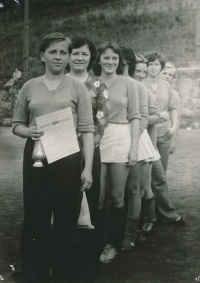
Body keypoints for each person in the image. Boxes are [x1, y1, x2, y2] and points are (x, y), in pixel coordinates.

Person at [12, 32, 94, 283]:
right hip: (36, 157)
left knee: (66, 217)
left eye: (63, 53)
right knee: (35, 216)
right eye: (52, 52)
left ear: (69, 57)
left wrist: (87, 167)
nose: (58, 57)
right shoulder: (29, 86)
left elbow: (87, 130)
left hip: (68, 157)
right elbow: (17, 124)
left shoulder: (78, 87)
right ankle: (34, 274)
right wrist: (29, 131)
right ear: (42, 56)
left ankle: (64, 274)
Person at [94, 42, 141, 263]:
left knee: (117, 196)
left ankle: (111, 243)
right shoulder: (92, 83)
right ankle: (96, 240)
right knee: (99, 195)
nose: (110, 62)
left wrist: (133, 148)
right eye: (106, 57)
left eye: (114, 58)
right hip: (97, 136)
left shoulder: (128, 83)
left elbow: (134, 116)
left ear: (120, 61)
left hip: (121, 137)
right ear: (99, 60)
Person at [67, 37, 109, 282]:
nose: (79, 58)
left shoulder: (98, 84)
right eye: (75, 53)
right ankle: (64, 257)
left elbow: (102, 120)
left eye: (84, 54)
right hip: (60, 152)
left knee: (91, 201)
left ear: (90, 57)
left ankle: (88, 259)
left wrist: (86, 147)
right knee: (63, 203)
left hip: (89, 150)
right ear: (68, 56)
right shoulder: (60, 81)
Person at [120, 48, 155, 252]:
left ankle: (131, 233)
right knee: (113, 192)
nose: (121, 65)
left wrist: (131, 137)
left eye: (125, 61)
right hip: (111, 141)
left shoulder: (138, 87)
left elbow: (144, 117)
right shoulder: (103, 82)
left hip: (136, 140)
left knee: (135, 189)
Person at [143, 51, 184, 225]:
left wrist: (174, 127)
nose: (153, 67)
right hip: (146, 136)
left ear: (161, 67)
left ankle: (158, 211)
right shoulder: (139, 84)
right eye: (150, 64)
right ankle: (163, 212)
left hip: (164, 135)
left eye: (156, 65)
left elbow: (174, 108)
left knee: (161, 175)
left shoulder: (165, 86)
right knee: (151, 176)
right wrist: (160, 115)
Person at [132, 53, 160, 235]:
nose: (141, 75)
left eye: (144, 71)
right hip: (127, 140)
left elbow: (156, 117)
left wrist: (138, 118)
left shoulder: (146, 92)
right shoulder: (125, 87)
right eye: (137, 71)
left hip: (143, 142)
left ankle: (149, 218)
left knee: (144, 187)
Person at [159, 62, 180, 155]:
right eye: (164, 73)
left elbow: (176, 118)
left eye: (170, 75)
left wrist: (174, 141)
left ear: (172, 78)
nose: (167, 76)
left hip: (165, 134)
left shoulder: (174, 94)